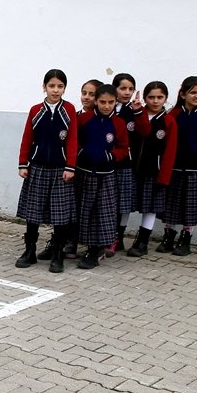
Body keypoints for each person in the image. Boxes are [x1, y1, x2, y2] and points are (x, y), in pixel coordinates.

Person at [15, 69, 79, 273]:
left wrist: (70, 166)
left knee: (60, 215)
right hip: (37, 168)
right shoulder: (36, 110)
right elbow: (27, 137)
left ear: (64, 88)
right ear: (44, 87)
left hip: (61, 170)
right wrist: (23, 163)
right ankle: (29, 251)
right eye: (51, 86)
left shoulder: (69, 110)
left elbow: (72, 140)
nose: (55, 90)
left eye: (60, 86)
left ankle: (57, 254)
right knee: (32, 213)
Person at [158, 76, 197, 256]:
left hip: (195, 169)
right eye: (193, 92)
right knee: (172, 204)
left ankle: (186, 239)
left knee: (190, 205)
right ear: (183, 94)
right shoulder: (173, 115)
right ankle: (169, 236)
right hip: (174, 168)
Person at [75, 84, 130, 269]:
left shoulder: (119, 123)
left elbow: (124, 148)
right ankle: (80, 244)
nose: (107, 106)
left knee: (101, 213)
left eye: (111, 102)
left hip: (106, 175)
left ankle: (96, 250)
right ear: (96, 101)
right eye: (103, 102)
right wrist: (82, 153)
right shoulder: (84, 119)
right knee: (85, 211)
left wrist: (111, 156)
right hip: (84, 173)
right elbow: (75, 142)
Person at [127, 81, 177, 256]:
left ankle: (142, 241)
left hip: (153, 173)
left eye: (160, 97)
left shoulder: (168, 121)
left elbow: (170, 152)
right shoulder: (137, 115)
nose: (155, 101)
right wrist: (138, 112)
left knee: (150, 207)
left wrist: (163, 177)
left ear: (166, 98)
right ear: (145, 98)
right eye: (151, 97)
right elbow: (143, 131)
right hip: (133, 170)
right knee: (126, 204)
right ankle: (116, 238)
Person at [108, 73, 151, 256]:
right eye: (122, 88)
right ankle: (105, 236)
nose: (127, 92)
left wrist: (139, 111)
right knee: (107, 201)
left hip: (126, 163)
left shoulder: (134, 110)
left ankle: (117, 238)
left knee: (122, 203)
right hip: (106, 162)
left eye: (130, 89)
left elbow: (145, 131)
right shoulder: (106, 107)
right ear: (114, 89)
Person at [61, 79, 104, 259]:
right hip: (74, 168)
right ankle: (69, 241)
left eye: (91, 94)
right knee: (73, 207)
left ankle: (95, 246)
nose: (86, 97)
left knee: (91, 209)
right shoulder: (74, 115)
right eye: (84, 93)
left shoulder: (101, 119)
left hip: (93, 171)